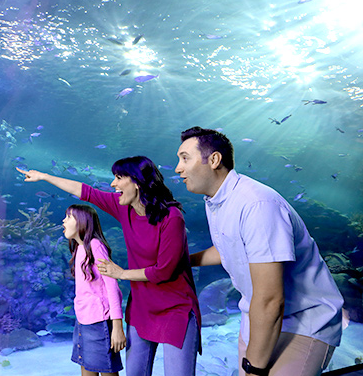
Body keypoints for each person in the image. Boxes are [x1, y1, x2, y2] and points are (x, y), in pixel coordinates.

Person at [175, 126, 344, 376]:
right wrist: (181, 262)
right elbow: (227, 250)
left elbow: (271, 300)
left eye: (184, 158)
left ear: (213, 160)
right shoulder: (216, 201)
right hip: (257, 319)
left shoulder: (257, 204)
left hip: (302, 322)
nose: (178, 168)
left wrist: (253, 369)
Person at [17, 156, 201, 376]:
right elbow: (85, 192)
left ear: (137, 182)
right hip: (142, 308)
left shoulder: (172, 217)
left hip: (175, 309)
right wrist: (44, 176)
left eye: (118, 177)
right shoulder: (124, 208)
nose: (113, 184)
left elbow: (165, 270)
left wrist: (121, 273)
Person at [63, 204, 126, 376]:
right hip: (83, 320)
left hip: (100, 322)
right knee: (86, 366)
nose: (64, 221)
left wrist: (117, 326)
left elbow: (112, 286)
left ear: (82, 222)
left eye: (69, 217)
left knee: (106, 369)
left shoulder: (95, 245)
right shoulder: (79, 248)